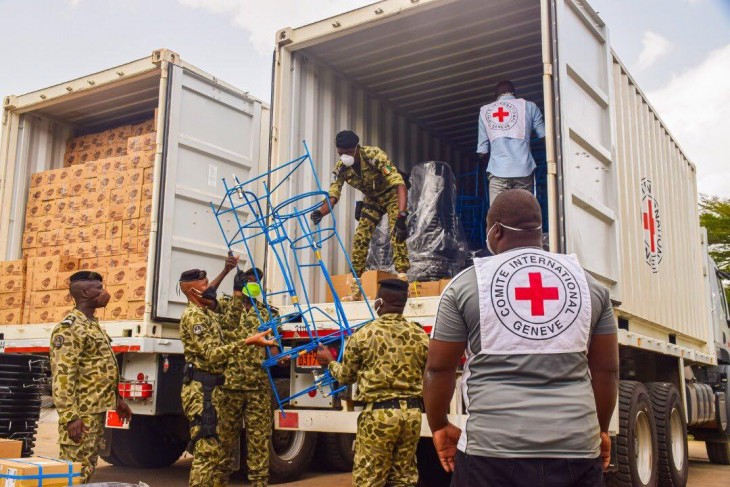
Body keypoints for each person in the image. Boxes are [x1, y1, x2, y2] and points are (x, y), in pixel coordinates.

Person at [424, 189, 619, 486]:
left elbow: (438, 369)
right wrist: (600, 430)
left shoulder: (466, 285)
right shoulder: (590, 286)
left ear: (496, 231)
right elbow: (607, 371)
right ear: (538, 230)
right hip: (576, 451)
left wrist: (439, 424)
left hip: (489, 454)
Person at [316, 279, 429, 487]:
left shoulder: (363, 335)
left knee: (369, 480)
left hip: (379, 417)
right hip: (412, 415)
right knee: (403, 479)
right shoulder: (420, 335)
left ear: (379, 303)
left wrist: (329, 362)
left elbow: (347, 376)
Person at [179, 256, 275, 487]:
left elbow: (231, 327)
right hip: (218, 387)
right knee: (213, 449)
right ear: (194, 290)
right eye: (204, 284)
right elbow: (212, 352)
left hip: (248, 386)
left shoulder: (265, 312)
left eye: (255, 281)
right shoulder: (199, 315)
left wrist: (236, 292)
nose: (209, 286)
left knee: (251, 442)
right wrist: (248, 341)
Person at [49, 270, 132, 484]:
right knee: (74, 473)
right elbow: (63, 376)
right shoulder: (69, 328)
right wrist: (70, 416)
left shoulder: (93, 325)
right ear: (85, 292)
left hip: (96, 412)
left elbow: (102, 368)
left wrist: (117, 399)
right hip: (81, 415)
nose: (105, 293)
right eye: (99, 289)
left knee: (88, 468)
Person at [310, 130, 409, 299]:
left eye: (348, 153)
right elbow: (333, 196)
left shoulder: (374, 155)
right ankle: (355, 290)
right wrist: (320, 212)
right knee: (360, 239)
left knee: (396, 234)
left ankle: (402, 282)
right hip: (372, 200)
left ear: (356, 148)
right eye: (340, 153)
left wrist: (401, 215)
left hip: (391, 194)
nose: (344, 157)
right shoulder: (340, 168)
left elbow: (399, 183)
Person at [217, 267, 281, 487]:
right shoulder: (225, 306)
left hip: (257, 386)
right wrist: (234, 290)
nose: (253, 283)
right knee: (224, 439)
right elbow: (224, 325)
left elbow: (273, 347)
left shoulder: (269, 313)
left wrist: (279, 357)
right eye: (248, 279)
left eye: (257, 280)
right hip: (229, 385)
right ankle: (219, 481)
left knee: (259, 441)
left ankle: (259, 482)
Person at [477, 80, 545, 204]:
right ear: (514, 93)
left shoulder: (485, 111)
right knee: (524, 215)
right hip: (524, 170)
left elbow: (483, 151)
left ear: (495, 96)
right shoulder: (529, 106)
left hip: (498, 172)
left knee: (497, 216)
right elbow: (544, 136)